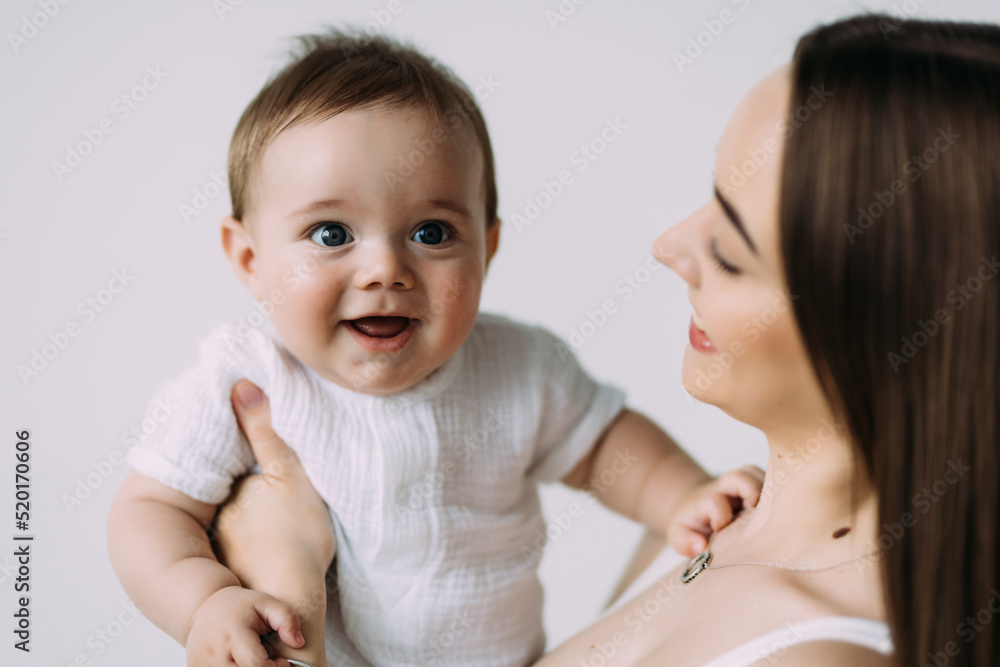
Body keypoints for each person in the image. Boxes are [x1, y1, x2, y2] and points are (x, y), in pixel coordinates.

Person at [212, 14, 1000, 666]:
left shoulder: (814, 654)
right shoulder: (711, 524)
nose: (670, 245)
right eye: (709, 201)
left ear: (885, 321)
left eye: (730, 247)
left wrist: (288, 582)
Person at [105, 30, 763, 667]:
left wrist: (684, 496)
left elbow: (606, 448)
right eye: (331, 232)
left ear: (489, 247)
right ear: (249, 258)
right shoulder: (247, 378)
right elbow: (151, 510)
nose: (384, 268)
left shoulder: (520, 367)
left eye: (430, 230)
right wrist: (206, 601)